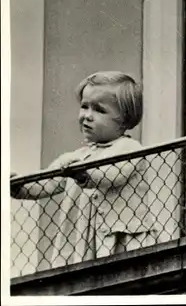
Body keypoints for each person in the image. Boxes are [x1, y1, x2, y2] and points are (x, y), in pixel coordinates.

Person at [11, 71, 157, 268]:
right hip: (85, 239)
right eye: (84, 106)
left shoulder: (129, 149)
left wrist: (83, 175)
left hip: (120, 237)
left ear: (124, 119)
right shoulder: (76, 156)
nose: (87, 115)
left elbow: (113, 175)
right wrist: (20, 187)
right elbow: (48, 182)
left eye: (99, 110)